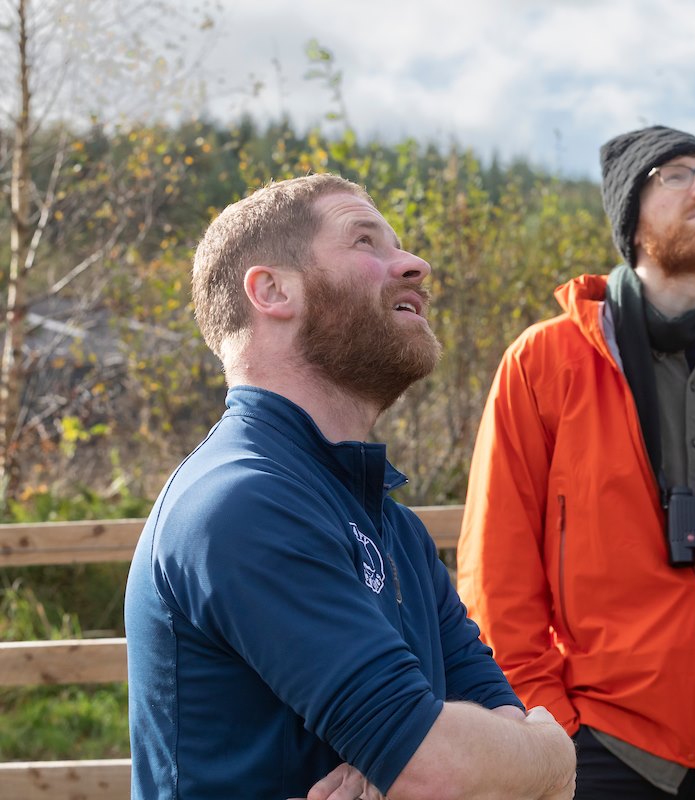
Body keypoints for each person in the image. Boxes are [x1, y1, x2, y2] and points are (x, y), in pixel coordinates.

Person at [125, 174, 576, 800]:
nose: (415, 264)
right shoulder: (239, 504)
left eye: (402, 245)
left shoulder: (397, 530)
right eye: (366, 241)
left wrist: (464, 758)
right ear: (272, 290)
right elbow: (446, 769)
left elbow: (475, 758)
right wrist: (541, 755)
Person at [457, 125, 695, 799]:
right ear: (631, 217)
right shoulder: (546, 363)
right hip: (602, 748)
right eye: (678, 174)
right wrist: (550, 723)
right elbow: (498, 572)